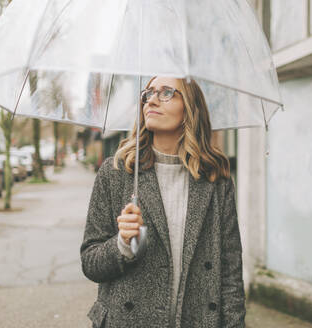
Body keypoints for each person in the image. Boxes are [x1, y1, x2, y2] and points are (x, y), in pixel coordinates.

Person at [80, 76, 246, 328]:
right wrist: (122, 244)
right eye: (148, 93)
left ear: (190, 107)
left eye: (167, 93)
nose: (152, 100)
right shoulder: (116, 173)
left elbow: (230, 271)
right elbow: (90, 263)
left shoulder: (215, 180)